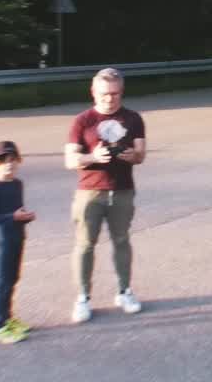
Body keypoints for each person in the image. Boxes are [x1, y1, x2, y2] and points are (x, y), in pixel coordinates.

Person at [65, 67, 147, 322]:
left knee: (121, 241)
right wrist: (93, 157)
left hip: (122, 190)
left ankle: (124, 291)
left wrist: (132, 156)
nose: (109, 98)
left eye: (115, 93)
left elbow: (141, 155)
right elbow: (70, 160)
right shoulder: (82, 121)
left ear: (121, 92)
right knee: (85, 245)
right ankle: (83, 297)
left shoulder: (133, 119)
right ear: (93, 92)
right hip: (90, 192)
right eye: (104, 94)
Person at [0, 140, 36, 344]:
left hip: (16, 238)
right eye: (4, 161)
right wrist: (13, 217)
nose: (10, 165)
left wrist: (25, 217)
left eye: (13, 160)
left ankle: (7, 318)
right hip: (1, 243)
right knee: (1, 282)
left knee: (13, 279)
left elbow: (17, 211)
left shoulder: (17, 184)